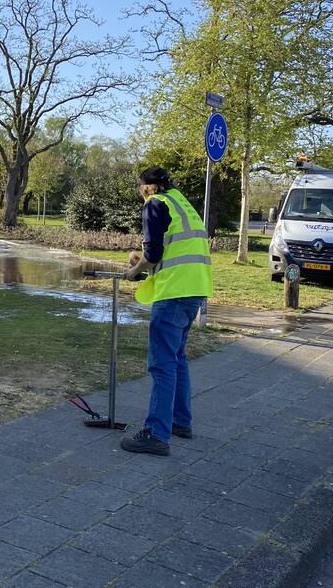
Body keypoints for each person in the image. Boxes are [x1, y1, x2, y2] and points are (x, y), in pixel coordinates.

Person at [121, 166, 213, 456]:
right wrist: (145, 258)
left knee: (162, 363)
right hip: (195, 289)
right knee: (177, 359)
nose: (140, 192)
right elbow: (168, 247)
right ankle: (179, 421)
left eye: (140, 187)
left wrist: (135, 269)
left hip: (173, 293)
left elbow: (155, 253)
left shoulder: (155, 204)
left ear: (149, 187)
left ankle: (156, 434)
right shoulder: (181, 202)